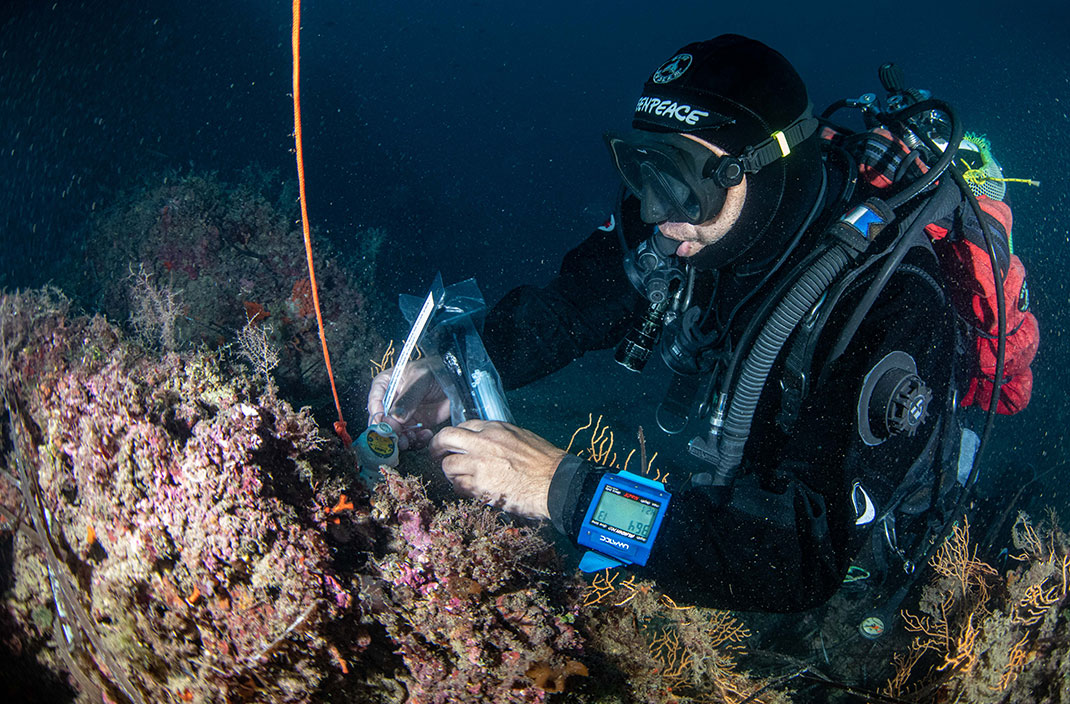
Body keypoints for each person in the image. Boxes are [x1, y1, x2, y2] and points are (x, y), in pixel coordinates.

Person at [368, 34, 1021, 615]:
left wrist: (565, 489)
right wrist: (462, 370)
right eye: (642, 168)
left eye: (682, 182)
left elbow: (797, 559)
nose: (654, 209)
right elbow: (570, 307)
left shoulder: (895, 304)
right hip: (743, 491)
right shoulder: (675, 216)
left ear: (764, 171)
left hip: (861, 531)